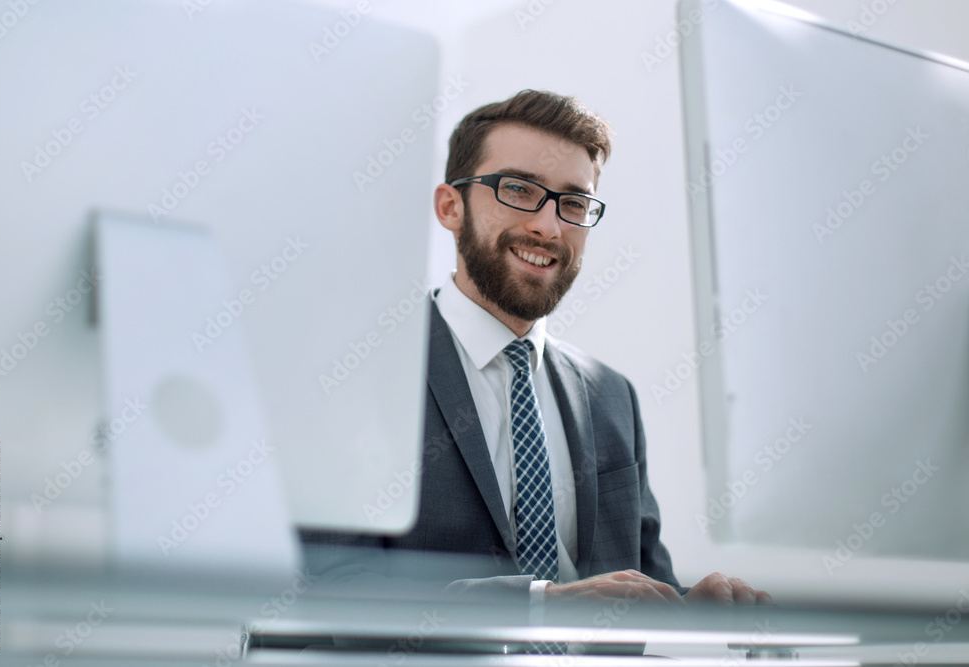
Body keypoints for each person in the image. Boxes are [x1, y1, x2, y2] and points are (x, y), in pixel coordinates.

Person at [301, 89, 770, 607]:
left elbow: (634, 588)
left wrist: (690, 606)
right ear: (450, 206)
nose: (548, 226)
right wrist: (539, 606)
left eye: (573, 202)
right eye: (519, 190)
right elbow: (329, 591)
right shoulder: (356, 373)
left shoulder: (612, 397)